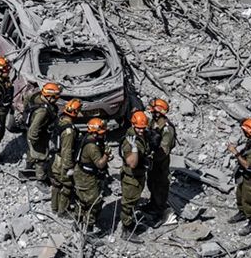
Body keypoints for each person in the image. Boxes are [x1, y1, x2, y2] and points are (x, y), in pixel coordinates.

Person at [119, 110, 155, 241]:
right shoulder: (129, 142)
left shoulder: (142, 135)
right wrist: (134, 148)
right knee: (128, 204)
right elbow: (132, 163)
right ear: (133, 125)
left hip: (139, 175)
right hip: (131, 177)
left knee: (134, 201)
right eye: (139, 128)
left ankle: (131, 224)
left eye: (143, 128)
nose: (141, 131)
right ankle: (126, 230)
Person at [74, 117, 112, 236]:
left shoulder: (87, 138)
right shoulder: (92, 147)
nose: (104, 134)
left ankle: (77, 222)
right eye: (102, 133)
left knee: (82, 200)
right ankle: (89, 229)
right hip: (86, 177)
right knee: (93, 202)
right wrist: (106, 155)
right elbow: (100, 164)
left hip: (82, 174)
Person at [147, 98, 178, 225]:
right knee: (152, 184)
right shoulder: (153, 123)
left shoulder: (167, 129)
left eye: (152, 109)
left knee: (160, 187)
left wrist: (150, 157)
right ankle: (152, 205)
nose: (150, 111)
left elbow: (164, 151)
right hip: (153, 162)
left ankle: (160, 214)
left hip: (160, 163)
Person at [51, 98, 84, 216]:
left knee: (56, 183)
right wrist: (68, 168)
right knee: (67, 186)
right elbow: (67, 151)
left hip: (56, 158)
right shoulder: (69, 131)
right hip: (63, 162)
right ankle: (62, 211)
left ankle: (54, 207)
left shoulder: (60, 121)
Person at [24, 83, 63, 181]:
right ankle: (40, 180)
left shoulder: (37, 97)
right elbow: (33, 132)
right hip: (38, 134)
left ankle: (29, 166)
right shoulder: (43, 112)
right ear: (49, 97)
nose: (57, 99)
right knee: (41, 158)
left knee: (31, 150)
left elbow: (26, 99)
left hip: (34, 129)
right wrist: (37, 144)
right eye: (55, 97)